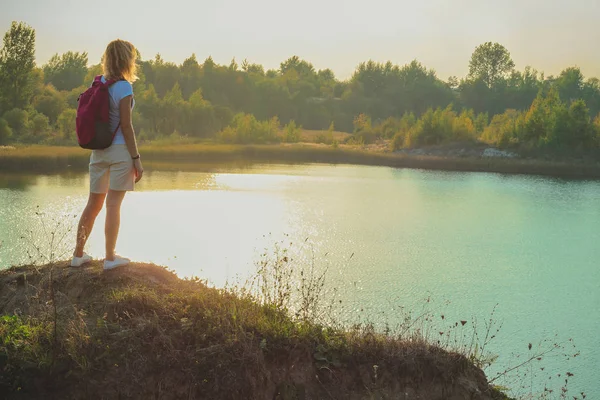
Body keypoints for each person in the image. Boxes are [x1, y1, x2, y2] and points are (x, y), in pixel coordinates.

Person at [71, 39, 144, 270]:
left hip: (98, 151)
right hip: (120, 151)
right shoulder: (124, 87)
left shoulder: (99, 83)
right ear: (126, 60)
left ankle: (77, 255)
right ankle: (110, 258)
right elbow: (126, 125)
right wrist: (136, 158)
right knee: (113, 204)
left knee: (93, 204)